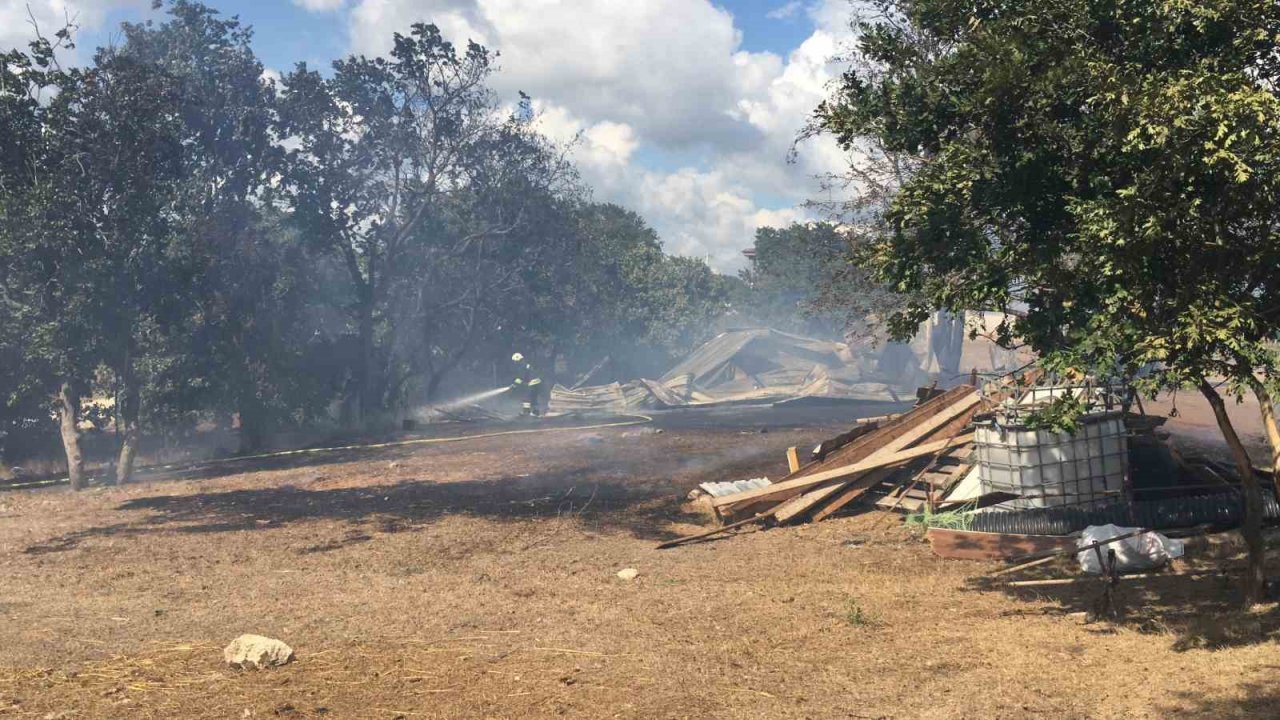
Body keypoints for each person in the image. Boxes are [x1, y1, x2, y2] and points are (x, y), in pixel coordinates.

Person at [509, 352, 542, 416]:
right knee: (534, 398)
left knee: (526, 398)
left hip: (531, 383)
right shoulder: (527, 365)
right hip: (537, 383)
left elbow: (521, 378)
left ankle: (526, 413)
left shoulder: (521, 366)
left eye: (515, 361)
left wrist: (514, 384)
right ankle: (536, 412)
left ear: (517, 361)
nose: (514, 363)